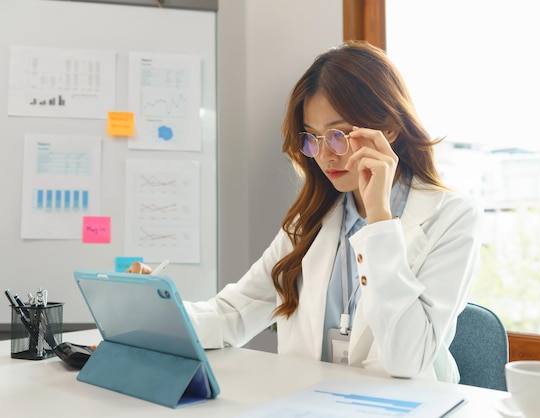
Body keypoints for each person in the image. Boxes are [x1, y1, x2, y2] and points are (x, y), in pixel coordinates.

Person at [128, 40, 483, 382]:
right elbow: (233, 313)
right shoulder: (312, 220)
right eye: (313, 137)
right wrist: (160, 311)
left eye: (339, 134)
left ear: (389, 127)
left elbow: (407, 359)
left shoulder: (452, 218)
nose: (325, 155)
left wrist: (379, 219)